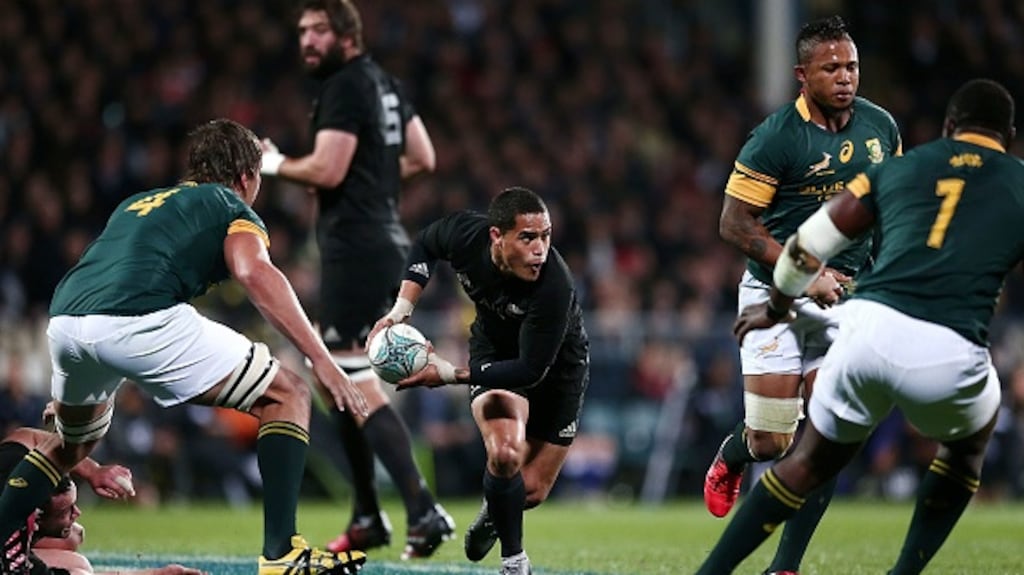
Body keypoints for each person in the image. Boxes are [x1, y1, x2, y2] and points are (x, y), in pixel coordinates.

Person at [0, 118, 368, 575]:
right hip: (137, 318)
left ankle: (1, 546)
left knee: (70, 448)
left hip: (67, 322)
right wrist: (322, 360)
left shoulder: (138, 203)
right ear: (246, 178)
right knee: (287, 392)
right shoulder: (230, 205)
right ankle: (282, 555)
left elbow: (109, 271)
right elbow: (255, 273)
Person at [696, 78, 1018, 574]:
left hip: (866, 323)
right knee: (966, 448)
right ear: (1010, 136)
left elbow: (807, 244)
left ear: (948, 127)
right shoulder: (1017, 182)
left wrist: (778, 306)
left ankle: (760, 569)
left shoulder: (895, 166)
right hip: (949, 348)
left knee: (812, 455)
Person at [706, 15, 901, 574]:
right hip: (775, 295)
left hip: (848, 298)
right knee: (773, 443)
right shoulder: (775, 139)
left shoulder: (881, 128)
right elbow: (735, 225)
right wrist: (805, 272)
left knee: (827, 434)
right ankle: (735, 452)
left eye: (852, 66)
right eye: (831, 67)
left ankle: (785, 567)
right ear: (801, 75)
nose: (845, 77)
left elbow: (887, 206)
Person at [258, 0, 452, 560]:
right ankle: (367, 513)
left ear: (348, 35)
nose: (307, 41)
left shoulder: (345, 85)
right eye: (301, 31)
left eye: (318, 30)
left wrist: (271, 163)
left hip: (356, 246)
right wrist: (375, 177)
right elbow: (423, 155)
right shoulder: (386, 85)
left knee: (348, 374)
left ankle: (420, 507)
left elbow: (325, 170)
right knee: (331, 377)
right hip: (382, 240)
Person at [366, 187, 590, 575]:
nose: (540, 249)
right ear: (496, 237)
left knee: (532, 490)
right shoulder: (465, 234)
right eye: (528, 237)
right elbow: (425, 243)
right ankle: (514, 562)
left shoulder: (555, 285)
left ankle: (494, 511)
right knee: (504, 455)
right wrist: (402, 308)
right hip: (494, 353)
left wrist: (450, 373)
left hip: (558, 370)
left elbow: (531, 369)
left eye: (546, 236)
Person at [0, 427, 204, 575]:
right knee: (78, 563)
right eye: (65, 511)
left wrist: (92, 470)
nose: (77, 513)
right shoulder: (13, 559)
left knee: (73, 537)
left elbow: (28, 437)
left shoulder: (8, 475)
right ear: (34, 520)